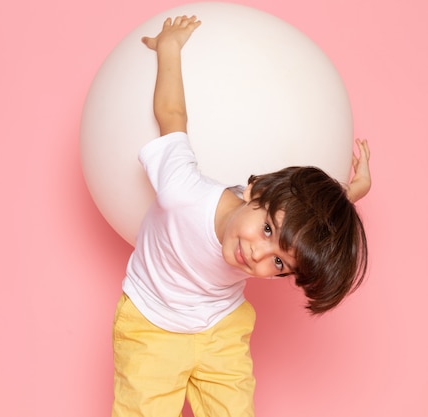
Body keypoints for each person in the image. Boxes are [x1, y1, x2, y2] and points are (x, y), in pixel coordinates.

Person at [111, 15, 371, 417]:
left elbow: (308, 225)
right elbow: (173, 115)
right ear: (255, 192)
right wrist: (169, 47)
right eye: (267, 230)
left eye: (279, 263)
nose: (258, 254)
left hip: (221, 328)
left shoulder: (274, 222)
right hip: (153, 323)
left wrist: (352, 193)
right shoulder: (182, 191)